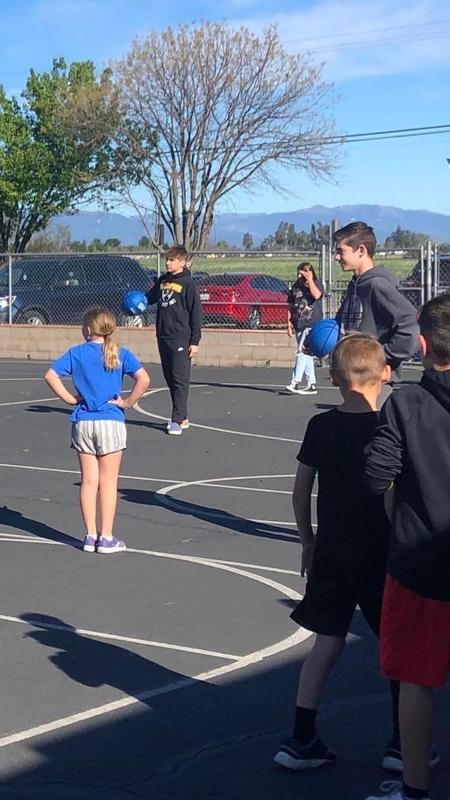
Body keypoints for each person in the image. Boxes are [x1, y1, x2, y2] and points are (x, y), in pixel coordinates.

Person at [275, 335, 399, 772]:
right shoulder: (389, 425)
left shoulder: (321, 426)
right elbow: (391, 493)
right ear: (386, 373)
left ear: (332, 379)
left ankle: (301, 736)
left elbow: (302, 487)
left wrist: (307, 540)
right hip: (381, 552)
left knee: (326, 641)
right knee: (396, 646)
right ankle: (403, 742)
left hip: (332, 548)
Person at [364, 294, 450, 800]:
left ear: (422, 346)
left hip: (419, 562)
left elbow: (377, 477)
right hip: (422, 556)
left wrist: (400, 511)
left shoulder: (406, 405)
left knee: (416, 679)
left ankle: (414, 785)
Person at [44, 307, 150, 554]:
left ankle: (90, 535)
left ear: (88, 329)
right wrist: (127, 402)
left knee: (89, 482)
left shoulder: (76, 353)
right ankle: (107, 536)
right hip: (110, 421)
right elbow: (144, 379)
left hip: (83, 421)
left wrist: (70, 399)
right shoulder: (121, 353)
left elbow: (50, 375)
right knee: (108, 482)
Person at [333, 222, 418, 384]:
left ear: (361, 251)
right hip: (356, 378)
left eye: (341, 251)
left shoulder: (377, 285)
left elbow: (411, 324)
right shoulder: (355, 285)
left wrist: (380, 356)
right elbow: (341, 325)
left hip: (378, 383)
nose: (337, 257)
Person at [147, 246, 202, 435]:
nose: (168, 263)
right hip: (163, 335)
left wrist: (194, 341)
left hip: (181, 337)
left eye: (171, 260)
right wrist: (135, 303)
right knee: (169, 377)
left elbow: (196, 314)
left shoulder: (189, 284)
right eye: (167, 260)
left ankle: (176, 420)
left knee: (180, 379)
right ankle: (183, 416)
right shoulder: (163, 281)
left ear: (182, 262)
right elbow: (150, 298)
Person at [286, 262, 324, 395]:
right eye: (299, 273)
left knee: (301, 352)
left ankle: (295, 382)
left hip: (311, 323)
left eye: (303, 273)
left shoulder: (316, 284)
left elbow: (317, 295)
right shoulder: (296, 287)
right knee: (307, 355)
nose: (300, 275)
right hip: (299, 323)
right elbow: (290, 305)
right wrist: (289, 323)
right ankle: (311, 383)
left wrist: (309, 279)